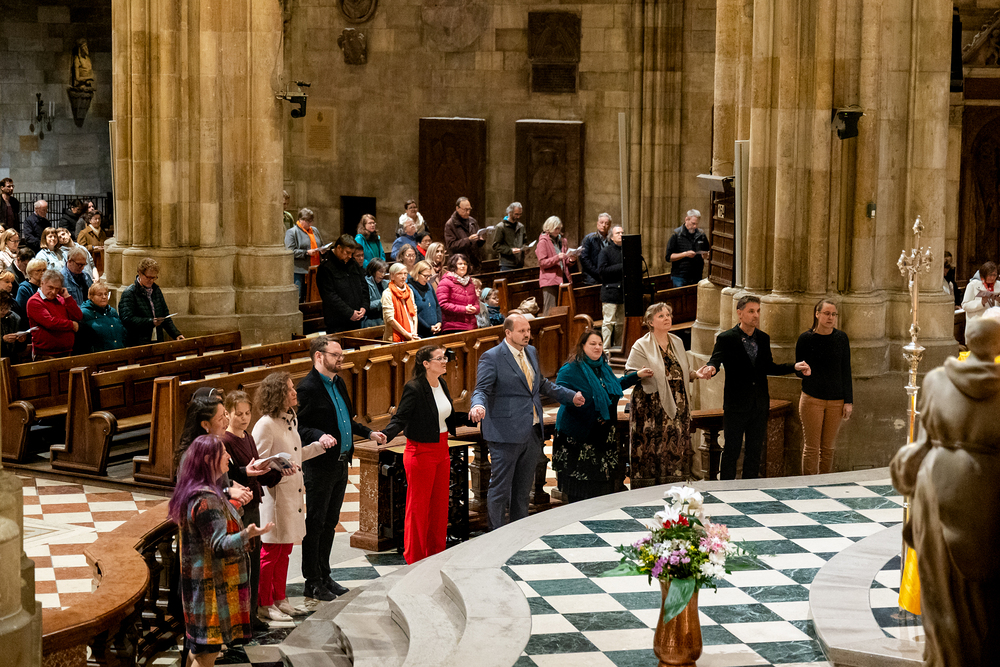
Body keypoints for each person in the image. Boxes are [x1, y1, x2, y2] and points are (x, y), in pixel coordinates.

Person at [890, 314, 1000, 667]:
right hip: (987, 492)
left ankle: (943, 656)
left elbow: (921, 444)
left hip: (935, 488)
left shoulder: (937, 380)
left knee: (940, 589)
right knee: (983, 596)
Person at [469, 313, 584, 530]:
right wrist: (478, 405)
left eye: (528, 330)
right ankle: (496, 534)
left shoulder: (531, 351)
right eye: (522, 331)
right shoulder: (492, 357)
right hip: (505, 432)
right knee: (501, 489)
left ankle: (517, 533)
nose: (527, 335)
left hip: (531, 431)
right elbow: (481, 389)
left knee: (523, 490)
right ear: (508, 333)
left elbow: (540, 384)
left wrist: (570, 396)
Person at [168, 435, 272, 666]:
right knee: (207, 654)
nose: (228, 456)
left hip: (202, 587)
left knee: (198, 650)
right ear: (208, 459)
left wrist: (235, 508)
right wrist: (247, 534)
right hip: (211, 591)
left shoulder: (201, 492)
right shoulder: (206, 499)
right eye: (223, 452)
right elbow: (219, 545)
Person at [296, 336, 386, 601]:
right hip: (320, 465)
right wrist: (319, 435)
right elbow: (299, 426)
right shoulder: (308, 388)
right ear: (319, 356)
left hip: (341, 462)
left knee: (330, 522)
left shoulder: (339, 383)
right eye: (336, 355)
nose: (341, 360)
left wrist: (368, 433)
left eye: (341, 355)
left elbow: (345, 420)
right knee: (316, 523)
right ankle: (312, 580)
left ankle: (325, 575)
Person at [696, 294, 811, 480]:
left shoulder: (763, 338)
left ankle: (750, 489)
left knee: (754, 452)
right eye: (751, 311)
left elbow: (768, 367)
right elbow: (715, 360)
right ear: (739, 313)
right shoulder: (726, 338)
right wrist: (711, 368)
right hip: (736, 405)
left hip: (759, 405)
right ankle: (725, 489)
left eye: (758, 311)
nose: (756, 315)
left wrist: (794, 367)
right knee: (732, 451)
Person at [251, 373, 334, 621]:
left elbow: (294, 456)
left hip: (291, 494)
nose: (294, 392)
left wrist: (319, 447)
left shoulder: (289, 419)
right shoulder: (265, 425)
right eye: (289, 389)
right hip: (275, 497)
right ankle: (264, 603)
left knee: (285, 549)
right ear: (277, 394)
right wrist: (277, 467)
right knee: (271, 552)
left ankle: (280, 598)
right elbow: (257, 463)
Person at [381, 346, 473, 563]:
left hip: (442, 450)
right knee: (418, 508)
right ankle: (414, 558)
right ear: (426, 364)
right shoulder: (414, 387)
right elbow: (401, 417)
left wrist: (470, 418)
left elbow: (445, 416)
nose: (444, 361)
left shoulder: (442, 383)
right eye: (439, 358)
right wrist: (385, 435)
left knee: (439, 506)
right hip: (420, 452)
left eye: (444, 358)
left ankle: (435, 554)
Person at [554, 329, 653, 501]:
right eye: (592, 344)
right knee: (579, 490)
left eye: (600, 344)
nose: (597, 347)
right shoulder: (570, 369)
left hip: (602, 437)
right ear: (582, 346)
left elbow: (614, 386)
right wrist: (573, 398)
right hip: (578, 437)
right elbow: (559, 392)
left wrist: (636, 376)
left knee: (600, 490)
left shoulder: (603, 368)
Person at [221, 390, 287, 631]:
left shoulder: (247, 437)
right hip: (238, 508)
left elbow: (256, 471)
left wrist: (279, 470)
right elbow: (227, 476)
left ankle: (251, 614)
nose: (244, 418)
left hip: (253, 503)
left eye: (247, 413)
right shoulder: (225, 441)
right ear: (227, 414)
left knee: (254, 559)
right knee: (243, 562)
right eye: (238, 414)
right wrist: (248, 473)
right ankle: (242, 617)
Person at [624, 303, 700, 485]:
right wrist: (640, 373)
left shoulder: (677, 342)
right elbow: (629, 373)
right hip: (650, 406)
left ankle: (674, 486)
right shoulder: (641, 345)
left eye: (668, 315)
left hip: (678, 404)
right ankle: (648, 488)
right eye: (661, 316)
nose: (667, 318)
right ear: (650, 322)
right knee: (651, 448)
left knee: (675, 447)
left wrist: (696, 374)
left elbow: (682, 371)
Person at [796, 299, 853, 475]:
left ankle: (825, 485)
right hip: (812, 398)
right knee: (812, 448)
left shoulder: (841, 338)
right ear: (817, 314)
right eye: (827, 313)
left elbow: (846, 370)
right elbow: (799, 369)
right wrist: (803, 371)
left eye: (834, 314)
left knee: (828, 448)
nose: (830, 318)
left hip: (836, 400)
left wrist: (848, 401)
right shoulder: (806, 339)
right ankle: (809, 486)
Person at [118, 258, 185, 345]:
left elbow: (165, 316)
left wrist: (176, 334)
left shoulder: (156, 290)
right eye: (148, 277)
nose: (151, 280)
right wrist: (150, 322)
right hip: (138, 342)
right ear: (140, 273)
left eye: (154, 277)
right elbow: (126, 319)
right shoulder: (130, 293)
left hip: (157, 340)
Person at [26, 269, 83, 360]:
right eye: (50, 287)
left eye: (57, 289)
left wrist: (67, 297)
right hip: (46, 355)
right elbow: (50, 322)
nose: (53, 292)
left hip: (67, 352)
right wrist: (71, 325)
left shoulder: (61, 298)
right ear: (42, 283)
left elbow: (78, 316)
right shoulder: (34, 301)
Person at [316, 235, 367, 333]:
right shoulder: (326, 267)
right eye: (347, 252)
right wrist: (349, 313)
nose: (350, 256)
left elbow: (364, 286)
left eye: (352, 253)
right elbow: (329, 296)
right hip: (337, 322)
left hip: (357, 319)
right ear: (339, 248)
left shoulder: (353, 264)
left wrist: (364, 306)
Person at [534, 216, 575, 315]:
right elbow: (542, 263)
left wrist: (571, 260)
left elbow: (565, 261)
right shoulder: (543, 242)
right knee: (550, 310)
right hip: (550, 280)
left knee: (564, 310)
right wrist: (557, 258)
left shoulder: (562, 241)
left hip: (563, 278)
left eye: (559, 228)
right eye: (556, 228)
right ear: (549, 228)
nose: (558, 231)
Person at [285, 208, 328, 302]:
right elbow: (290, 251)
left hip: (315, 269)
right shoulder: (292, 232)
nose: (310, 224)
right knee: (299, 297)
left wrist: (323, 250)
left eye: (311, 221)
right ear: (301, 220)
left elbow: (321, 244)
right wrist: (306, 252)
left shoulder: (314, 230)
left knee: (315, 297)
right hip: (300, 271)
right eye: (308, 221)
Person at [77, 280, 126, 353]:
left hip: (118, 352)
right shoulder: (85, 313)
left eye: (105, 294)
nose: (104, 297)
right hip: (98, 355)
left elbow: (122, 332)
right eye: (100, 295)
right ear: (91, 297)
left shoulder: (112, 311)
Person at [666, 209, 710, 287]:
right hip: (680, 276)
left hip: (696, 275)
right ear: (686, 219)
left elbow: (709, 252)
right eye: (693, 223)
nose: (695, 226)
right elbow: (668, 257)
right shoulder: (676, 234)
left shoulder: (701, 235)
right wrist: (685, 254)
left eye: (697, 224)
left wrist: (707, 256)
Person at [436, 253, 479, 333]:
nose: (463, 266)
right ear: (453, 266)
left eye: (465, 264)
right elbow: (442, 305)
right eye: (460, 264)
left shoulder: (470, 283)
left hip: (471, 326)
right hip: (453, 327)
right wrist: (464, 309)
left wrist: (475, 309)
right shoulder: (445, 282)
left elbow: (476, 303)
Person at [598, 225, 625, 350]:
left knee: (621, 323)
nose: (621, 235)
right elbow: (602, 271)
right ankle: (605, 349)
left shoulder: (627, 250)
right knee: (609, 322)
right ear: (612, 237)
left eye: (622, 232)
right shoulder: (606, 251)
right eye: (618, 233)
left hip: (623, 292)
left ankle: (619, 348)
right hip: (610, 291)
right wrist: (621, 266)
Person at [443, 197, 486, 271]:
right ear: (457, 208)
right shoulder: (450, 224)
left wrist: (481, 239)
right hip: (459, 264)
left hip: (474, 262)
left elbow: (477, 244)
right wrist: (468, 240)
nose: (468, 212)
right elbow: (451, 245)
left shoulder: (472, 221)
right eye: (465, 210)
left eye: (469, 209)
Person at [383, 262, 420, 342]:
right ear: (392, 276)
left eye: (405, 273)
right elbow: (390, 319)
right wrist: (406, 334)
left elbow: (414, 312)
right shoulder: (387, 293)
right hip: (394, 337)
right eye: (399, 274)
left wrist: (414, 332)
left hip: (412, 334)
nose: (403, 277)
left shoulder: (409, 291)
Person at [409, 260, 442, 337]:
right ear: (417, 273)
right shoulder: (410, 288)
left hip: (435, 331)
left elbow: (437, 306)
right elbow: (413, 313)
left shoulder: (429, 286)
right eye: (425, 276)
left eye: (429, 276)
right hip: (421, 333)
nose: (428, 279)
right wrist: (428, 328)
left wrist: (439, 322)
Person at [579, 213, 612, 285]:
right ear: (597, 224)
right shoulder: (589, 238)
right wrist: (597, 272)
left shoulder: (611, 240)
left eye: (606, 223)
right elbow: (584, 259)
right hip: (592, 278)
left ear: (609, 226)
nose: (603, 225)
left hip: (608, 278)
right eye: (601, 223)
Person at [492, 202, 526, 270]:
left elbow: (525, 241)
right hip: (507, 264)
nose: (518, 217)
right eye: (516, 214)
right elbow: (496, 246)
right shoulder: (501, 227)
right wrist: (510, 250)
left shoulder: (521, 227)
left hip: (519, 263)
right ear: (510, 212)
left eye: (520, 214)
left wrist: (525, 248)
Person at [0, 291, 28, 362]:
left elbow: (20, 348)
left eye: (6, 308)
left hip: (12, 359)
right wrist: (3, 340)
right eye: (1, 309)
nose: (3, 311)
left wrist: (21, 341)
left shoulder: (15, 318)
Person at [362, 258, 388, 328]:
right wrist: (383, 301)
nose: (383, 275)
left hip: (382, 318)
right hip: (370, 320)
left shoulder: (385, 283)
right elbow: (367, 304)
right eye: (380, 271)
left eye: (384, 272)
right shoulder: (365, 283)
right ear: (373, 271)